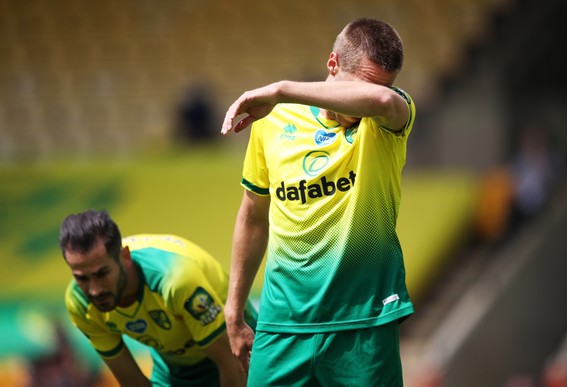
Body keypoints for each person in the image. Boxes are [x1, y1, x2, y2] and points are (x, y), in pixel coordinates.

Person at [221, 17, 416, 386]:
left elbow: (381, 99)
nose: (361, 110)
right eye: (359, 84)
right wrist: (235, 311)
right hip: (281, 325)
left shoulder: (387, 120)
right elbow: (252, 216)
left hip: (363, 323)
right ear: (333, 64)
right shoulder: (272, 121)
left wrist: (280, 90)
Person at [59, 209, 256, 387]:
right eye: (81, 278)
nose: (94, 290)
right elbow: (132, 381)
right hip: (176, 367)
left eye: (102, 274)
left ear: (125, 258)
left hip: (241, 350)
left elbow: (232, 364)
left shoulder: (176, 282)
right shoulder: (79, 303)